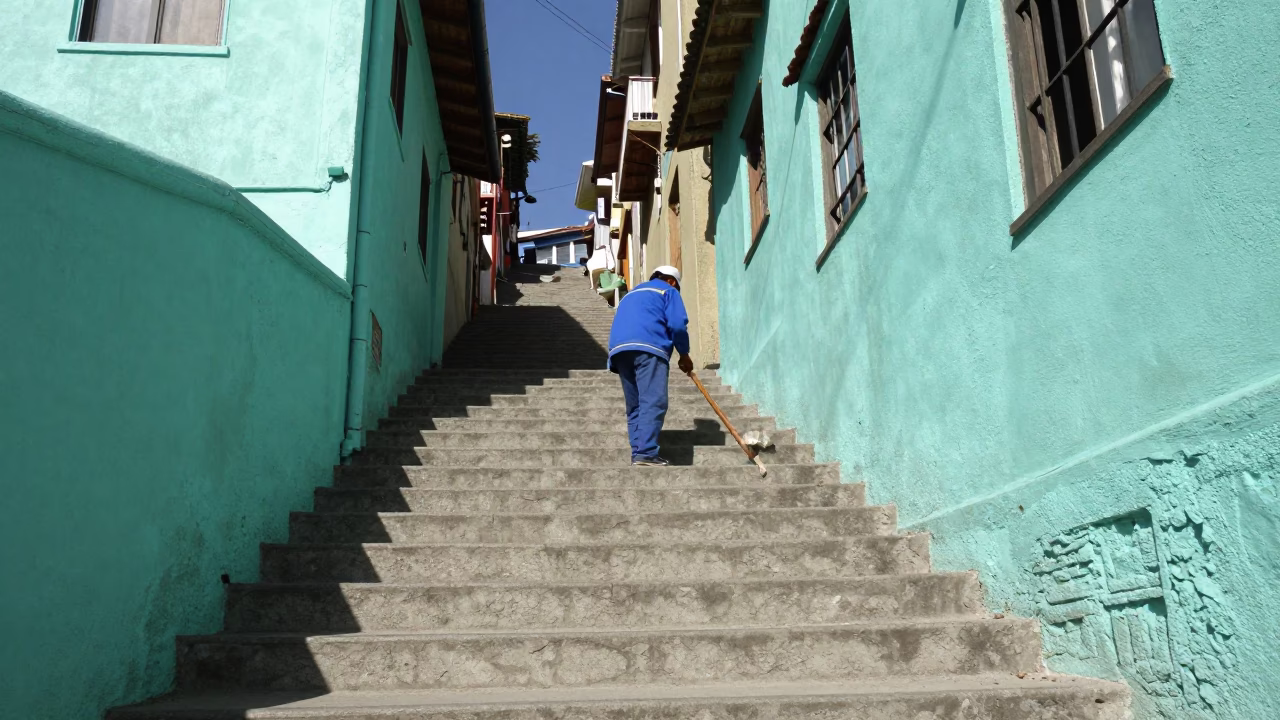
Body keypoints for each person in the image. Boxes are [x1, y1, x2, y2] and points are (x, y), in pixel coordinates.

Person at [607, 266, 694, 466]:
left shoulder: (630, 295)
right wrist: (684, 355)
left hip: (619, 351)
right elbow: (678, 325)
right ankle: (646, 452)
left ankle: (638, 451)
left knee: (635, 405)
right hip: (649, 347)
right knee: (653, 400)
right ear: (672, 281)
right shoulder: (667, 290)